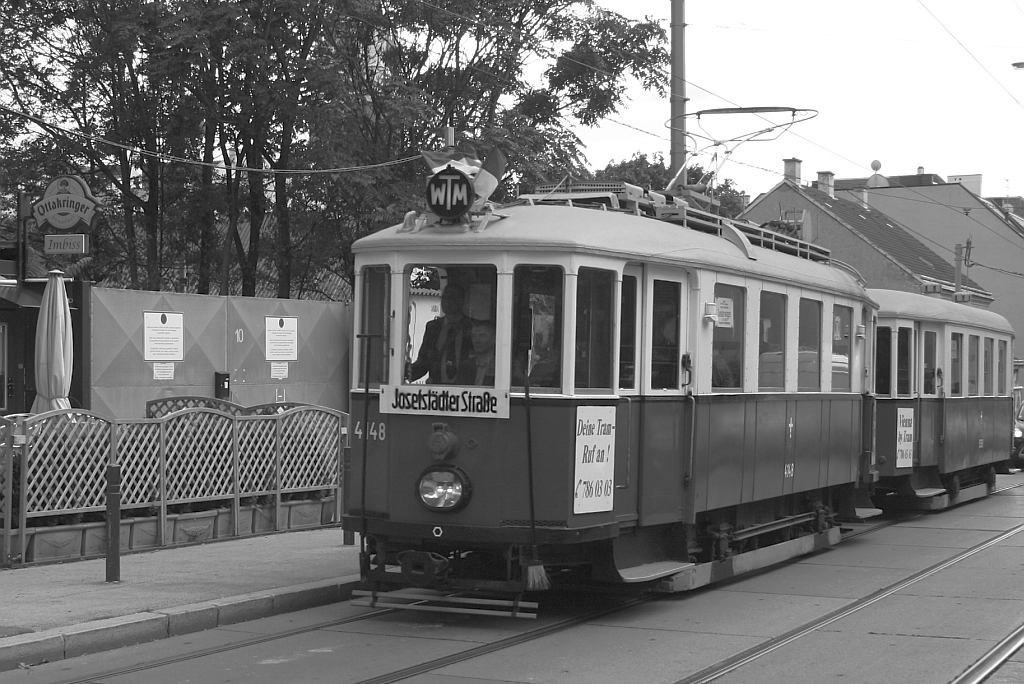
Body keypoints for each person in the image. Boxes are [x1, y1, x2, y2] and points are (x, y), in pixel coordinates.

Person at [406, 284, 475, 384]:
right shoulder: (432, 327)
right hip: (437, 390)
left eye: (452, 297)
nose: (446, 302)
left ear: (462, 301)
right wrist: (405, 372)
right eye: (444, 297)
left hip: (467, 390)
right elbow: (424, 361)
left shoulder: (472, 326)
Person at [456, 319, 496, 386]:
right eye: (473, 336)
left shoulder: (503, 366)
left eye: (482, 336)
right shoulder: (465, 366)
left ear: (494, 338)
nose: (476, 341)